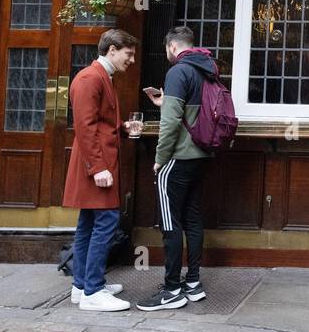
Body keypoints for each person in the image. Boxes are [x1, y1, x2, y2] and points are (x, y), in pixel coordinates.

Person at [137, 26, 215, 311]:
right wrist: (164, 102)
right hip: (200, 155)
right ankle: (192, 283)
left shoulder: (177, 72)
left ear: (172, 47)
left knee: (170, 223)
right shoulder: (206, 69)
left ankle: (171, 290)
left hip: (177, 158)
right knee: (193, 219)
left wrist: (159, 158)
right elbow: (190, 114)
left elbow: (171, 124)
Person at [64, 28, 141, 312]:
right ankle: (93, 291)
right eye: (128, 54)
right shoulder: (89, 78)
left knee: (88, 225)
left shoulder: (99, 76)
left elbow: (98, 124)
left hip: (97, 164)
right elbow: (84, 128)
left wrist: (121, 129)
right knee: (106, 222)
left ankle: (81, 285)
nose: (131, 60)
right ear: (112, 50)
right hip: (96, 166)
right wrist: (98, 167)